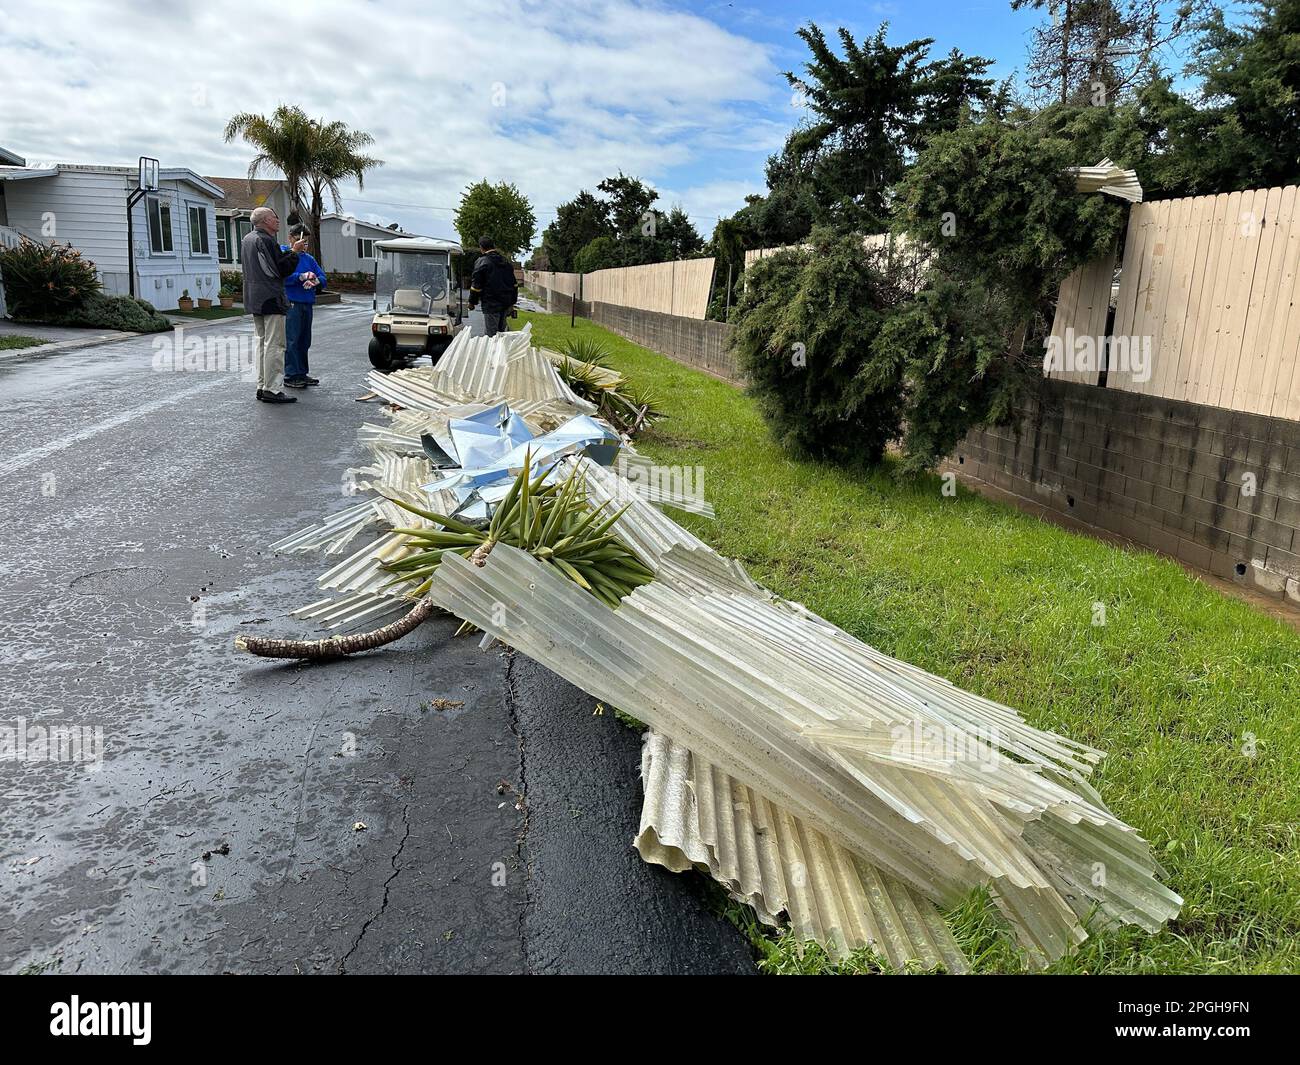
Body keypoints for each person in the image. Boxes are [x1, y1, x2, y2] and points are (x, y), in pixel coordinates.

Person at [240, 206, 306, 404]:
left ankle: (262, 385)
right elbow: (280, 269)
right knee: (275, 345)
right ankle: (272, 389)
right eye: (274, 218)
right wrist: (295, 252)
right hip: (270, 297)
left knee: (262, 343)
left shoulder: (248, 239)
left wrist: (292, 253)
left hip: (254, 297)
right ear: (265, 221)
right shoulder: (266, 240)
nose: (278, 221)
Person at [283, 226, 327, 388]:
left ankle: (301, 372)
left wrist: (315, 281)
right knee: (292, 340)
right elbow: (282, 276)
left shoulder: (309, 259)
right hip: (292, 302)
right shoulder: (284, 254)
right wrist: (300, 276)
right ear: (291, 238)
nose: (303, 245)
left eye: (306, 243)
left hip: (307, 302)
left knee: (304, 340)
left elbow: (323, 277)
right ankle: (291, 374)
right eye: (300, 241)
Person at [468, 235, 517, 337]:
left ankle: (492, 352)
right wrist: (512, 303)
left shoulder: (482, 262)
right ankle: (500, 351)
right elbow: (514, 285)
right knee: (501, 334)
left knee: (491, 336)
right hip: (505, 304)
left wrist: (472, 302)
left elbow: (476, 286)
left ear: (481, 247)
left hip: (491, 304)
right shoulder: (506, 262)